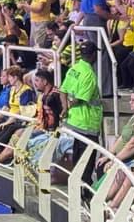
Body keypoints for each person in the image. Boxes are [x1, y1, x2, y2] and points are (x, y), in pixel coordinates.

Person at [59, 41, 103, 191]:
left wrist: (65, 108)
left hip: (73, 121)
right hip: (87, 123)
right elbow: (80, 98)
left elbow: (63, 90)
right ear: (92, 55)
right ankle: (84, 190)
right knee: (87, 160)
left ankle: (77, 187)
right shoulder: (89, 74)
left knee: (78, 158)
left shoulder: (74, 68)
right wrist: (69, 105)